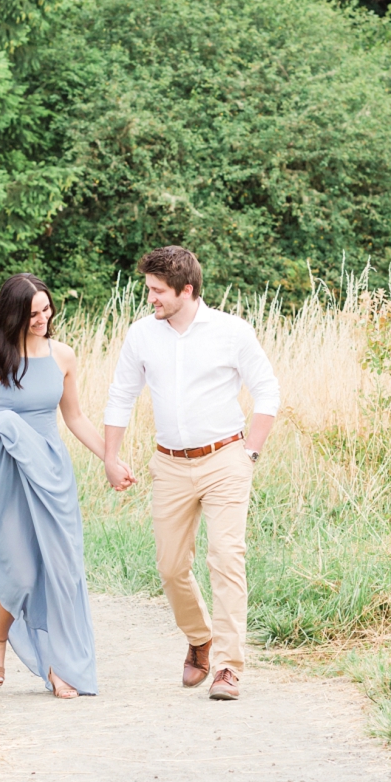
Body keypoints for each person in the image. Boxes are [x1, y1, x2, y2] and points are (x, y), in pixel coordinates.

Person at [101, 245, 279, 702]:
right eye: (149, 290)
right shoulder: (141, 335)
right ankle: (200, 638)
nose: (151, 299)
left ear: (188, 290)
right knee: (171, 566)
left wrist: (250, 454)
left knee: (226, 558)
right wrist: (111, 456)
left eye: (158, 291)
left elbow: (267, 391)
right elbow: (121, 395)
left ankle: (227, 668)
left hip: (225, 459)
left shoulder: (231, 331)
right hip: (170, 464)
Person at [0, 273, 122, 698]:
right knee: (19, 569)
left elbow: (75, 418)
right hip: (10, 473)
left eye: (46, 309)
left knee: (60, 570)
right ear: (14, 314)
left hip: (52, 474)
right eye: (33, 312)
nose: (43, 318)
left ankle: (58, 666)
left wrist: (109, 459)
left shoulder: (63, 356)